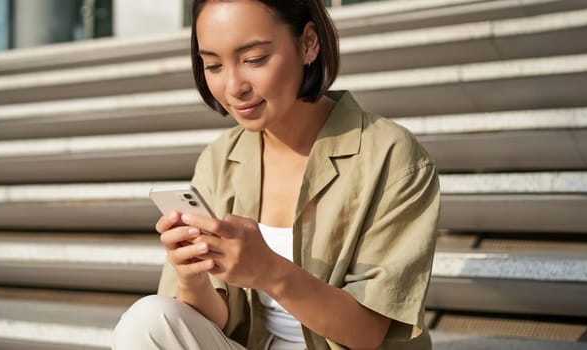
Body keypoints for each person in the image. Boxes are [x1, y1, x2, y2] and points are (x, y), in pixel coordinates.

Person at [113, 0, 440, 349]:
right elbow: (212, 323)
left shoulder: (391, 156)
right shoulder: (220, 159)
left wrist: (269, 270)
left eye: (254, 59)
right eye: (213, 65)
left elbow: (367, 333)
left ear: (308, 43)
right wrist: (192, 278)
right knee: (148, 320)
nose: (234, 86)